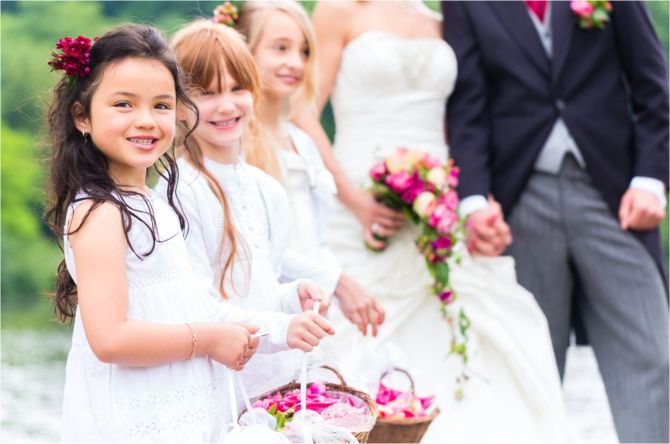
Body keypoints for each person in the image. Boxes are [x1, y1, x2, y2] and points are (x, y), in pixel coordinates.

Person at [293, 1, 569, 441]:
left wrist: (478, 202)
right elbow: (303, 109)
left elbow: (461, 123)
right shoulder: (339, 10)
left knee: (489, 327)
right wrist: (354, 199)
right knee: (351, 338)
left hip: (441, 203)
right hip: (359, 199)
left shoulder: (448, 17)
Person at [442, 1, 669, 442]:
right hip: (520, 200)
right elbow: (467, 106)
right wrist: (472, 202)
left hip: (614, 194)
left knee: (651, 354)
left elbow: (652, 83)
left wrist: (651, 180)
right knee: (532, 365)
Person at [44, 24, 261, 442]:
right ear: (82, 116)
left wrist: (268, 332)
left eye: (161, 106)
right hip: (134, 417)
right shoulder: (99, 211)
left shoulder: (152, 202)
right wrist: (208, 340)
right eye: (123, 104)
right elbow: (110, 338)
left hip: (177, 406)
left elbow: (183, 305)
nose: (145, 121)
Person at [158, 19, 334, 398]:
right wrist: (282, 328)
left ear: (255, 91)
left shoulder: (267, 189)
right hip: (217, 381)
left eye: (237, 88)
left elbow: (263, 286)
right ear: (177, 105)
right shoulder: (179, 190)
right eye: (206, 93)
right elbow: (196, 306)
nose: (226, 105)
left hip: (274, 381)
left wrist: (293, 298)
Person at [236, 0, 385, 337]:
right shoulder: (239, 141)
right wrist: (336, 282)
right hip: (273, 309)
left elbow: (318, 235)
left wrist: (336, 284)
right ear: (245, 50)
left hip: (318, 300)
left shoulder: (302, 141)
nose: (296, 63)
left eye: (304, 51)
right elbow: (256, 244)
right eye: (280, 48)